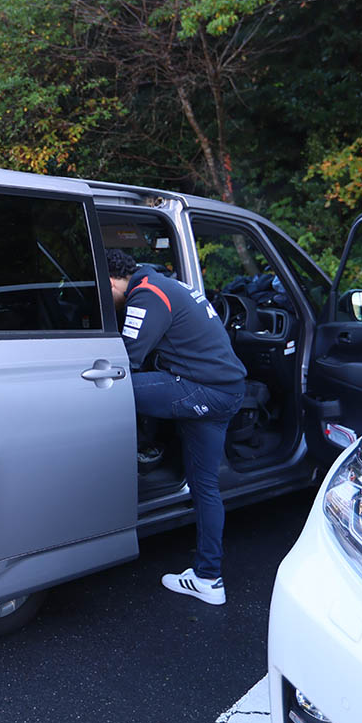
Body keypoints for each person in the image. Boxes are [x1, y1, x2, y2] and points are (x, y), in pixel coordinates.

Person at [106, 249, 246, 606]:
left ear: (110, 281)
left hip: (206, 391)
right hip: (226, 388)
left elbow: (126, 360)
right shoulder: (164, 282)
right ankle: (208, 578)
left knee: (108, 389)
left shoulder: (147, 295)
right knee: (205, 485)